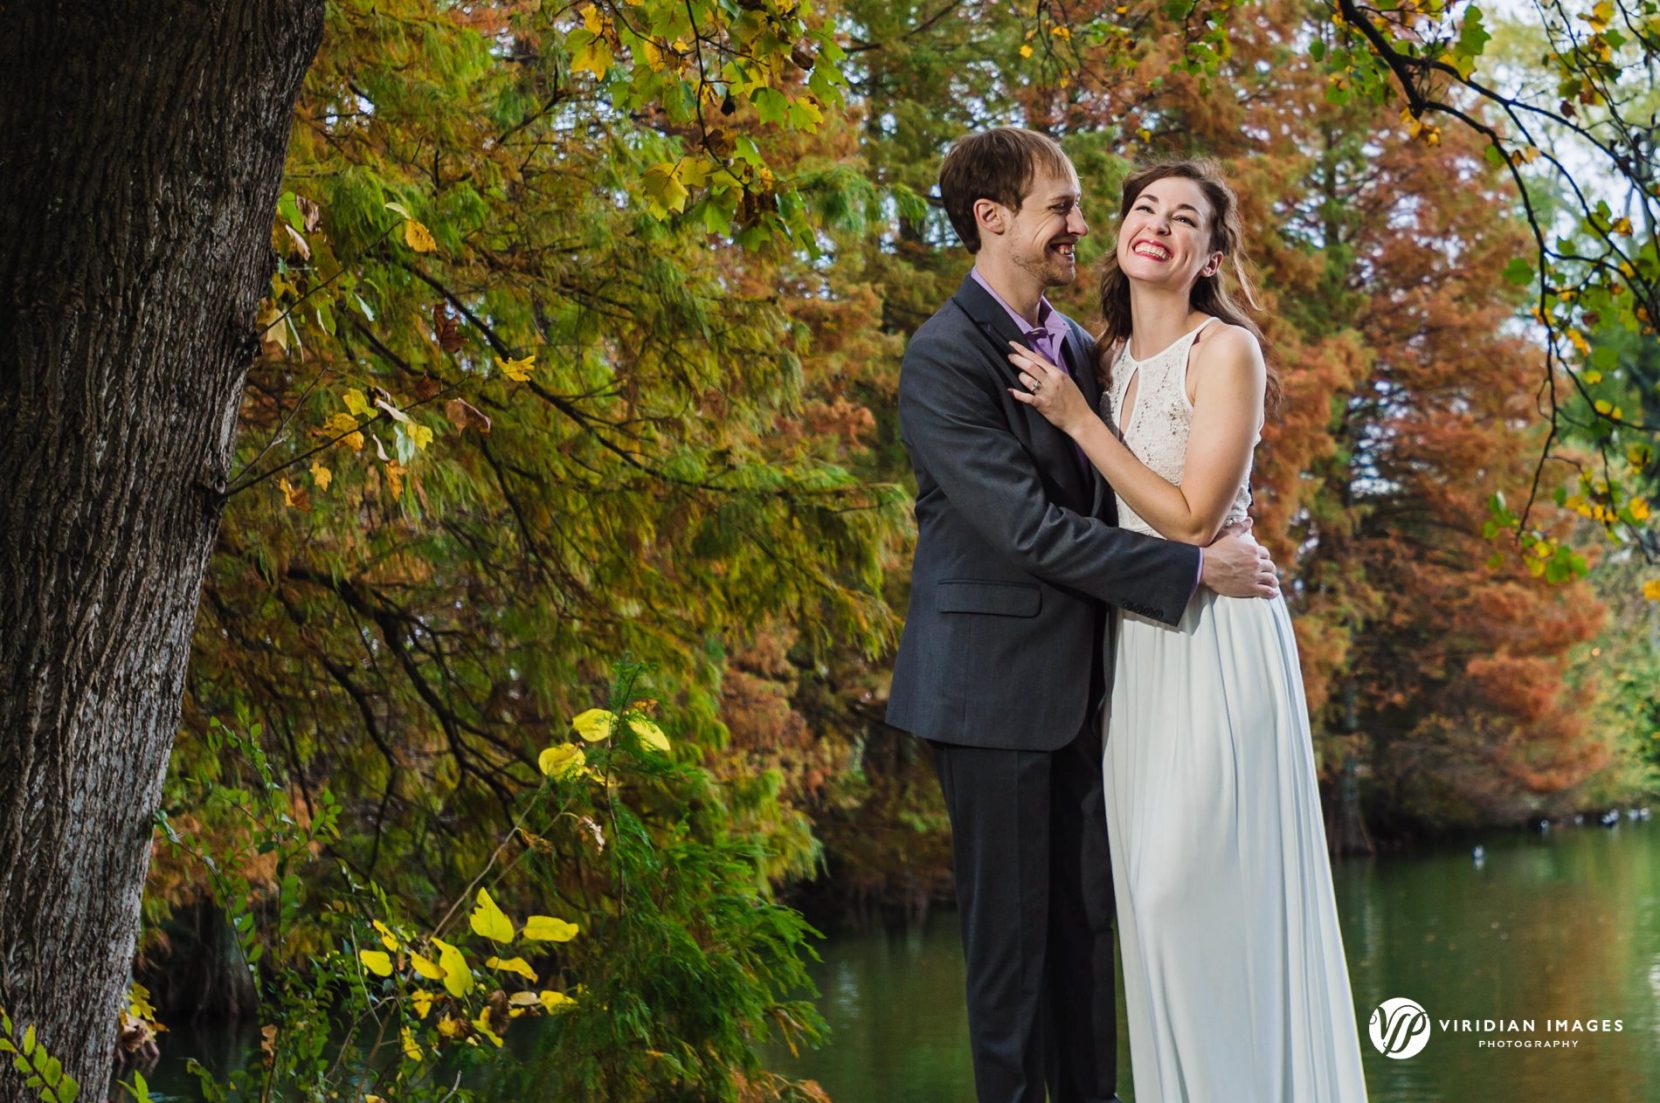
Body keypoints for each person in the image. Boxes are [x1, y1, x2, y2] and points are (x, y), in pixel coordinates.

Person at [884, 127, 1278, 1103]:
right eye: (1059, 207)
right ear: (993, 219)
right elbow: (1028, 532)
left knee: (1082, 951)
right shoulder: (942, 358)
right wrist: (1188, 569)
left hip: (1091, 694)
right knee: (1012, 969)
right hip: (989, 698)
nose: (1078, 223)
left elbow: (1130, 478)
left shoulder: (1068, 343)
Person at [1008, 158, 1370, 1101]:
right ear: (1121, 232)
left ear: (1209, 255)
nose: (1156, 225)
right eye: (1143, 208)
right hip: (1136, 651)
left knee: (1189, 896)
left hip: (1219, 643)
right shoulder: (1098, 356)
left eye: (1184, 218)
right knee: (1153, 909)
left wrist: (1081, 423)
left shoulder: (1226, 353)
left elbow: (1195, 520)